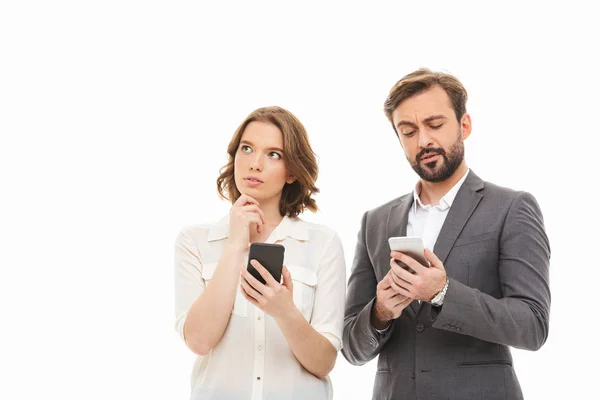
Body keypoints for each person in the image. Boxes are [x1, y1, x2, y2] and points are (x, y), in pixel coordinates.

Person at [341, 68, 551, 400]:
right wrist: (380, 311)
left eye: (435, 125)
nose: (423, 141)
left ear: (464, 126)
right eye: (408, 131)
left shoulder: (512, 208)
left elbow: (532, 325)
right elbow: (352, 348)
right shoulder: (375, 222)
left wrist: (443, 293)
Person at [173, 106, 346, 400]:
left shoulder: (322, 244)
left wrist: (285, 311)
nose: (255, 164)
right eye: (247, 149)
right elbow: (199, 341)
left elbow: (323, 362)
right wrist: (234, 245)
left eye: (273, 154)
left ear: (292, 171)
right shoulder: (194, 241)